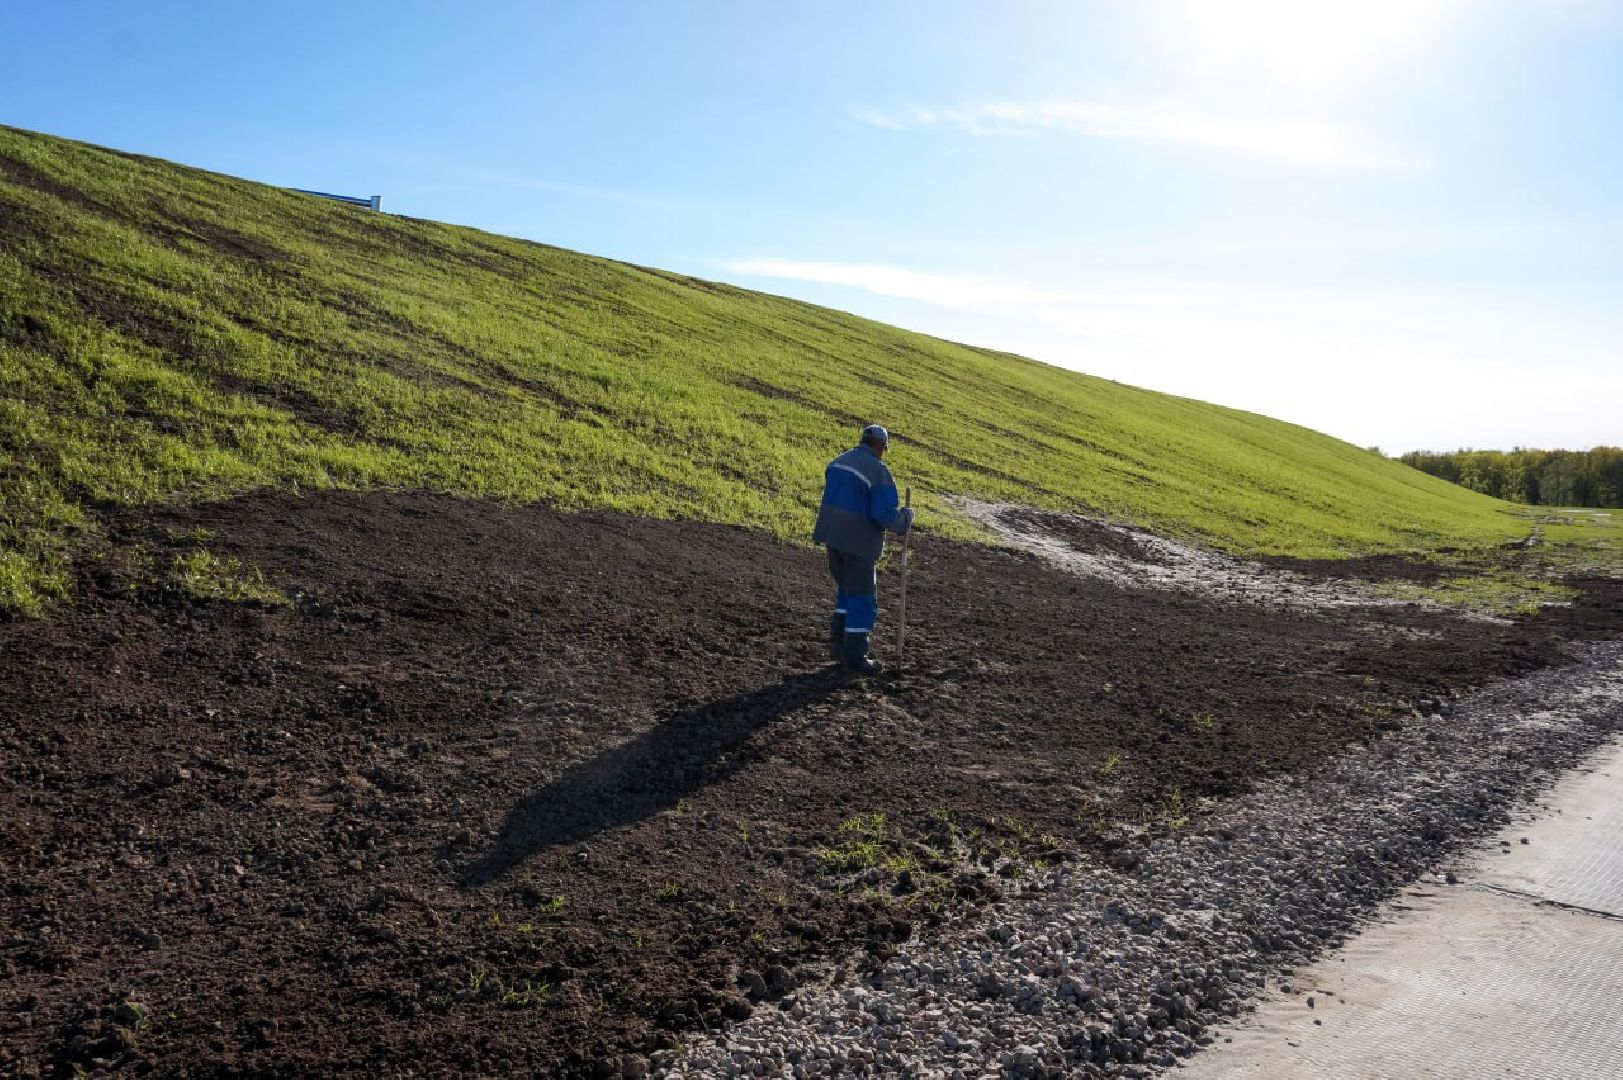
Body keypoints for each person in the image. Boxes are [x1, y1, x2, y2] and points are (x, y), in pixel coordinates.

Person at [812, 424, 913, 674]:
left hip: (832, 537)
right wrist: (905, 520)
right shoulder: (878, 471)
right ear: (880, 446)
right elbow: (882, 514)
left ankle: (838, 644)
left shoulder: (839, 461)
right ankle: (856, 657)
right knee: (862, 598)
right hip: (857, 542)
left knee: (847, 590)